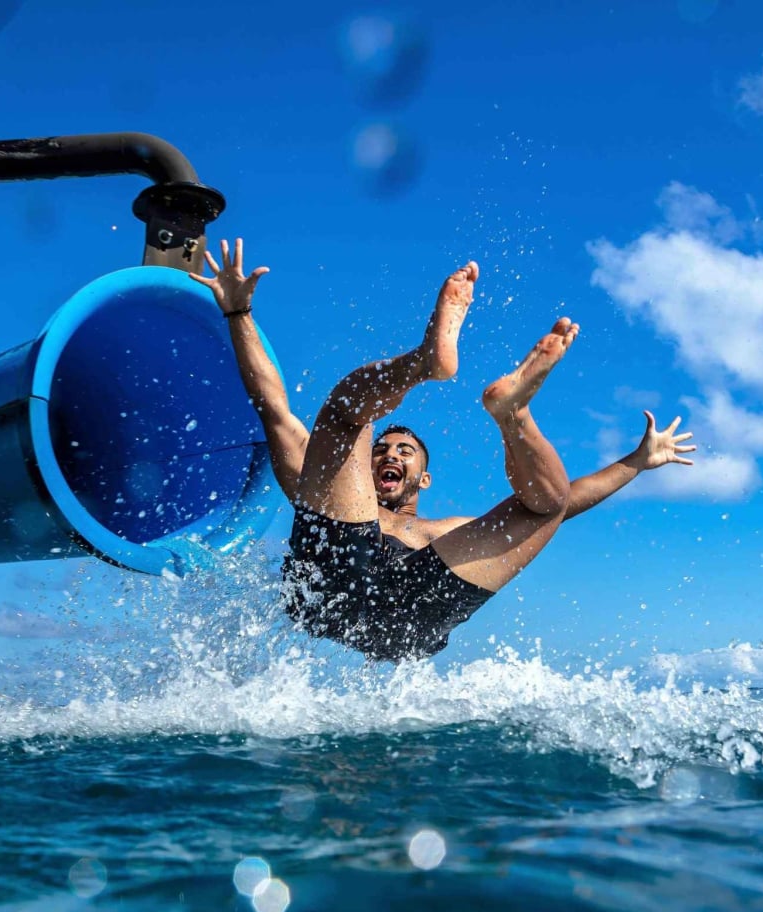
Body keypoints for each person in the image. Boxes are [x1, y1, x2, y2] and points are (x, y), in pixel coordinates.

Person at [192, 238, 695, 661]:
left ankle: (513, 413)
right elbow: (273, 407)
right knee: (349, 413)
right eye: (384, 449)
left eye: (406, 452)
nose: (391, 454)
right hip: (334, 585)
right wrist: (238, 312)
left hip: (412, 615)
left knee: (546, 505)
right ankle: (427, 362)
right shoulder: (316, 486)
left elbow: (565, 503)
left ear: (424, 479)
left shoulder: (445, 531)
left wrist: (636, 462)